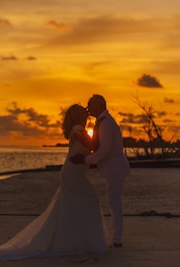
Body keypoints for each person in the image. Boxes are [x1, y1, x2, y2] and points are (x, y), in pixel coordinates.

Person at [0, 104, 108, 260]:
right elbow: (92, 147)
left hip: (74, 172)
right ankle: (85, 242)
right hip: (73, 174)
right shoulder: (78, 129)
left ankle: (79, 241)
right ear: (78, 116)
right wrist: (98, 126)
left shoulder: (77, 130)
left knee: (70, 207)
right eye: (83, 112)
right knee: (89, 200)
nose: (86, 113)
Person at [70, 94, 131, 248]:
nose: (88, 108)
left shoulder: (106, 123)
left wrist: (85, 160)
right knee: (112, 199)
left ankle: (117, 238)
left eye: (91, 105)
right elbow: (98, 146)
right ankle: (116, 236)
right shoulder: (102, 122)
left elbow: (104, 149)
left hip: (115, 168)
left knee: (114, 201)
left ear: (101, 106)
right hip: (113, 168)